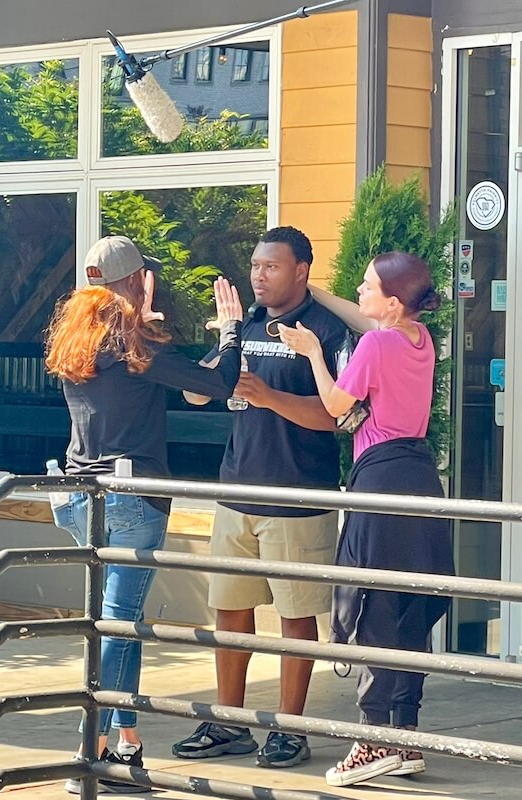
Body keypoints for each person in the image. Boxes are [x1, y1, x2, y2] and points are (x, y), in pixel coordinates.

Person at [45, 235, 243, 795]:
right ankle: (91, 748)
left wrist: (147, 324)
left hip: (81, 497)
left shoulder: (79, 336)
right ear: (137, 281)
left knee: (118, 623)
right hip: (131, 500)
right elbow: (217, 382)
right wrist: (230, 332)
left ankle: (125, 740)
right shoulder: (135, 340)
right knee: (118, 623)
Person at [278, 251, 455, 787]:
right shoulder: (420, 338)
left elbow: (337, 405)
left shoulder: (377, 345)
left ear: (393, 302)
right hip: (419, 476)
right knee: (407, 607)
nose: (359, 290)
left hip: (379, 479)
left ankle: (373, 739)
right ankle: (405, 736)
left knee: (375, 606)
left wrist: (313, 352)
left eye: (367, 285)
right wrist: (317, 294)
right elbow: (369, 321)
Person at [172, 226, 346, 769]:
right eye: (254, 265)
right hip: (236, 491)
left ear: (301, 271)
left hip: (298, 496)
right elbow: (194, 393)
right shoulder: (245, 324)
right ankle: (229, 722)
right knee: (229, 610)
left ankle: (291, 729)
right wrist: (224, 344)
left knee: (295, 617)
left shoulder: (325, 330)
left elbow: (337, 415)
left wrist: (269, 397)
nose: (258, 276)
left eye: (271, 266)